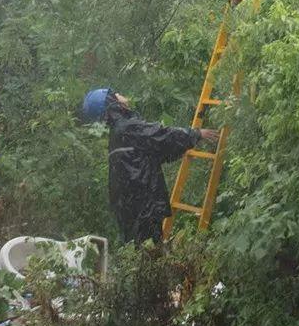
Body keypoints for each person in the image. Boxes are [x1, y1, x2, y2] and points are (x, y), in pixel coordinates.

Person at [82, 87, 218, 245]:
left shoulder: (119, 132)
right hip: (143, 208)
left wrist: (182, 147)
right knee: (148, 253)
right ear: (112, 103)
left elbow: (153, 152)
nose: (120, 94)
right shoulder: (127, 128)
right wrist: (196, 134)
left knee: (141, 252)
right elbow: (161, 136)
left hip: (133, 209)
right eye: (115, 94)